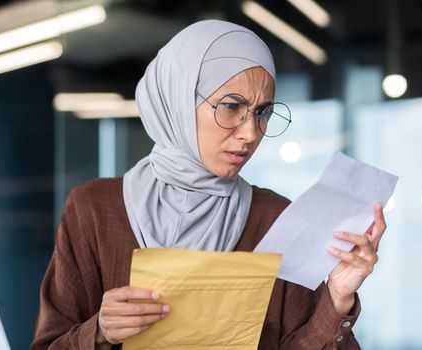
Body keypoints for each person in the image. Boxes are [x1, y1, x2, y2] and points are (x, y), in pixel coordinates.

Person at [31, 19, 385, 350]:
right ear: (180, 101)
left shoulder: (276, 218)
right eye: (232, 106)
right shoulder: (94, 208)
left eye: (262, 112)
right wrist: (101, 329)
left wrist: (337, 297)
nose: (250, 133)